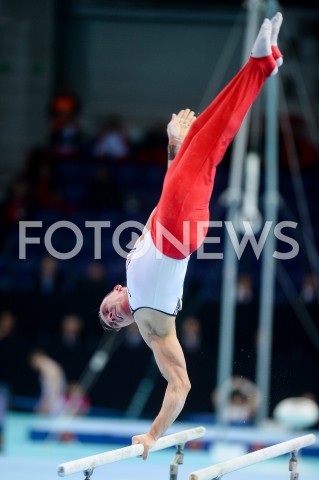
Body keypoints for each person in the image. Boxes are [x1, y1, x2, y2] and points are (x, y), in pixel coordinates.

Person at [99, 14, 284, 459]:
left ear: (115, 291)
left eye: (105, 312)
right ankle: (261, 63)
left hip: (173, 219)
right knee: (205, 144)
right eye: (111, 324)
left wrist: (170, 152)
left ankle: (264, 61)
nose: (111, 318)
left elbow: (165, 200)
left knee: (201, 139)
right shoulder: (151, 326)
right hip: (180, 234)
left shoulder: (131, 261)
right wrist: (153, 435)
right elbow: (180, 384)